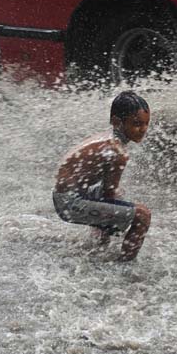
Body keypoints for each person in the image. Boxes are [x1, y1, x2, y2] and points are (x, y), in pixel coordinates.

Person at [52, 91, 152, 261]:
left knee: (120, 196)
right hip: (68, 203)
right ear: (116, 122)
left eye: (146, 124)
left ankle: (98, 246)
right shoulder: (117, 151)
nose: (143, 129)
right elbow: (109, 195)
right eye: (136, 124)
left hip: (66, 196)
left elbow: (110, 193)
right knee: (142, 216)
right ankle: (125, 264)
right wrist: (121, 221)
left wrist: (116, 218)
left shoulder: (106, 140)